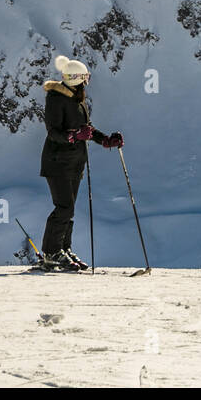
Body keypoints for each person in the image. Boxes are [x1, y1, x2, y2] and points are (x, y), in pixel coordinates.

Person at [39, 54, 123, 272]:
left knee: (69, 209)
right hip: (57, 162)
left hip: (75, 163)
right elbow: (53, 132)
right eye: (85, 77)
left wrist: (104, 140)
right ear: (77, 78)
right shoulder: (56, 99)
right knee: (64, 207)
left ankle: (63, 250)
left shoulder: (78, 100)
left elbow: (87, 129)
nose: (87, 80)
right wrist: (75, 136)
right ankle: (51, 253)